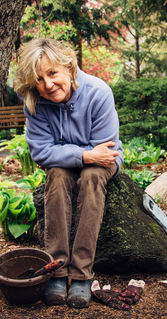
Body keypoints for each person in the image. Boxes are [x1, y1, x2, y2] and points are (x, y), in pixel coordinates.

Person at [14, 38, 124, 308]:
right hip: (75, 161)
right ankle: (57, 270)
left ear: (69, 67)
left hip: (101, 164)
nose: (48, 85)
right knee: (58, 176)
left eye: (52, 73)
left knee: (91, 177)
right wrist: (84, 154)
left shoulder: (98, 93)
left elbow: (105, 150)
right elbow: (40, 152)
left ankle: (82, 274)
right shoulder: (35, 102)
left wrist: (64, 152)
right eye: (39, 79)